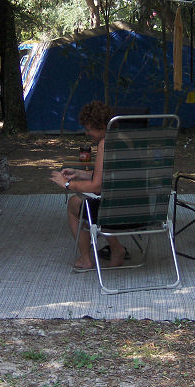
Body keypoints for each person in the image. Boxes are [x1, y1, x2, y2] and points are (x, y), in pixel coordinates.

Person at [50, 101, 127, 271]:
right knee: (89, 206)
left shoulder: (105, 144)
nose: (87, 133)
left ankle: (86, 259)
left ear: (101, 126)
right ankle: (116, 249)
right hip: (138, 208)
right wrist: (79, 174)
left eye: (89, 129)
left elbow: (97, 187)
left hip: (114, 211)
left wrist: (68, 184)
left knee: (74, 204)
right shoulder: (127, 139)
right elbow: (111, 176)